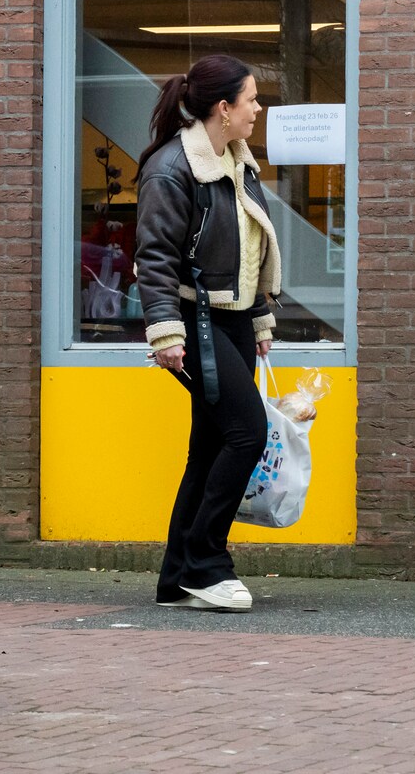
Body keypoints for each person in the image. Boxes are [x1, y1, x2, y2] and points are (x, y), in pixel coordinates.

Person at [133, 54, 282, 613]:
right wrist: (165, 334)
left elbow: (248, 249)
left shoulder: (237, 160)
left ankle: (177, 578)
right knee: (246, 432)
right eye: (252, 99)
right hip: (192, 319)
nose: (258, 109)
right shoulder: (172, 168)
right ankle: (206, 561)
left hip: (234, 317)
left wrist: (259, 317)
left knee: (212, 445)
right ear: (224, 107)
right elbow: (154, 258)